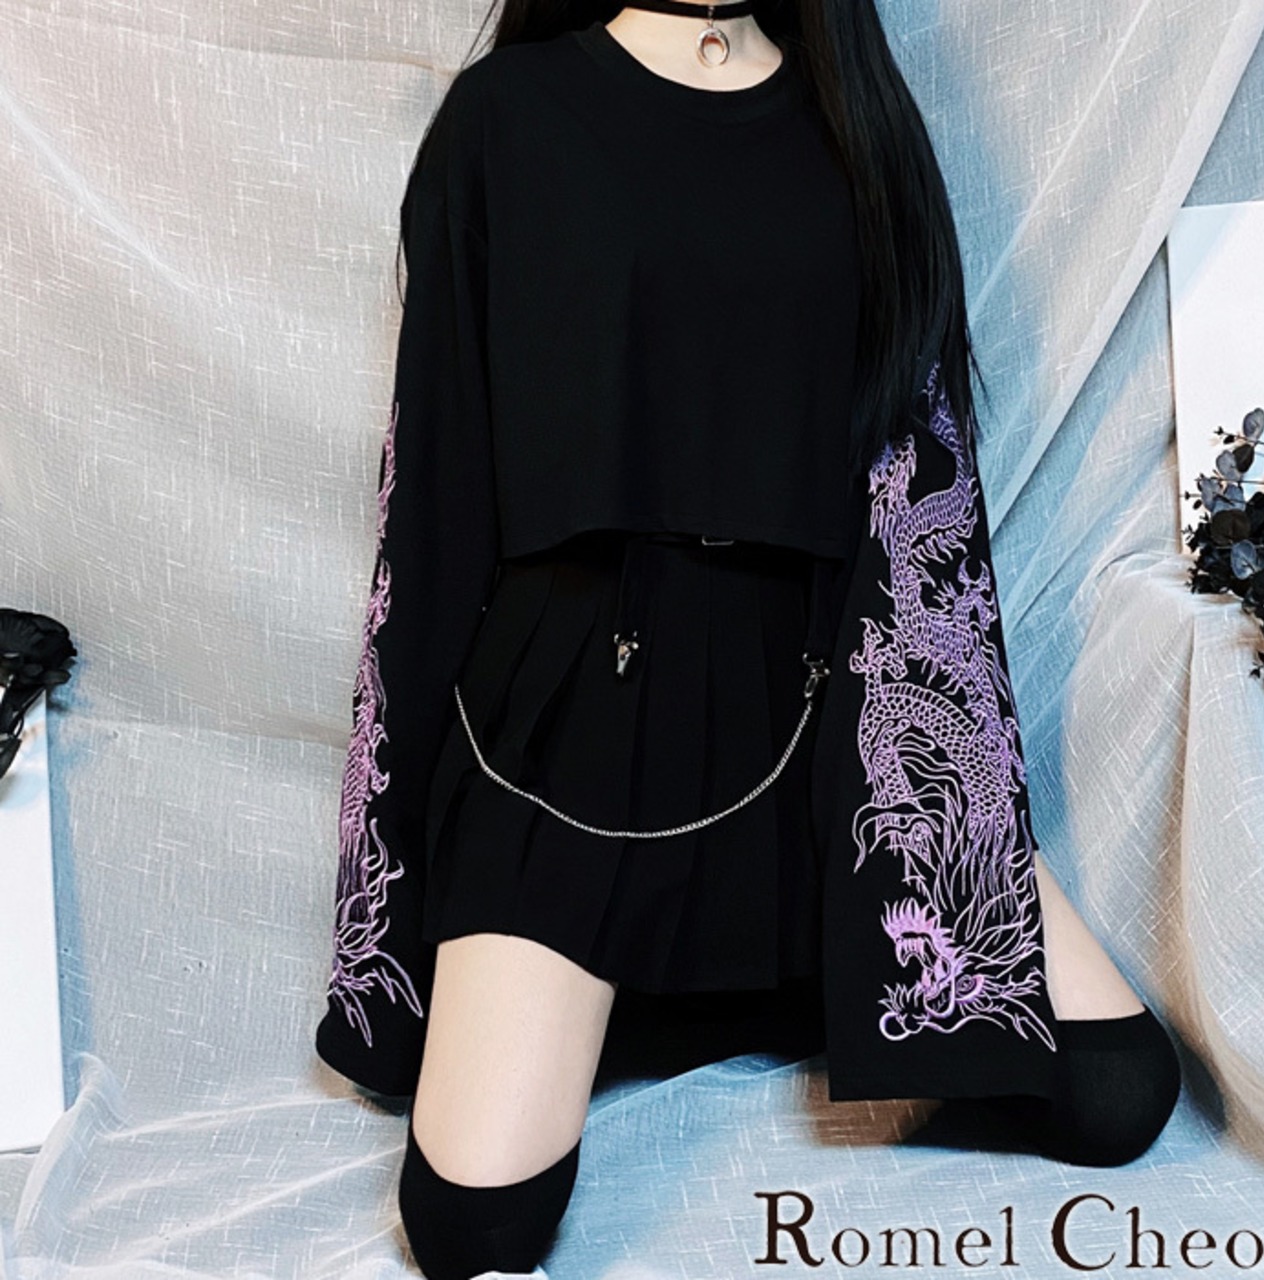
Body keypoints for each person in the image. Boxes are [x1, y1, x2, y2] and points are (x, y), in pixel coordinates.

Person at [314, 3, 1184, 1276]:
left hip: (816, 706)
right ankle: (620, 989)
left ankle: (748, 978)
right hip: (576, 731)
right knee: (472, 1224)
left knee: (1117, 1089)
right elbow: (433, 494)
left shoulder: (857, 126)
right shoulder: (507, 118)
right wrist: (393, 892)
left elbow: (919, 489)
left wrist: (947, 807)